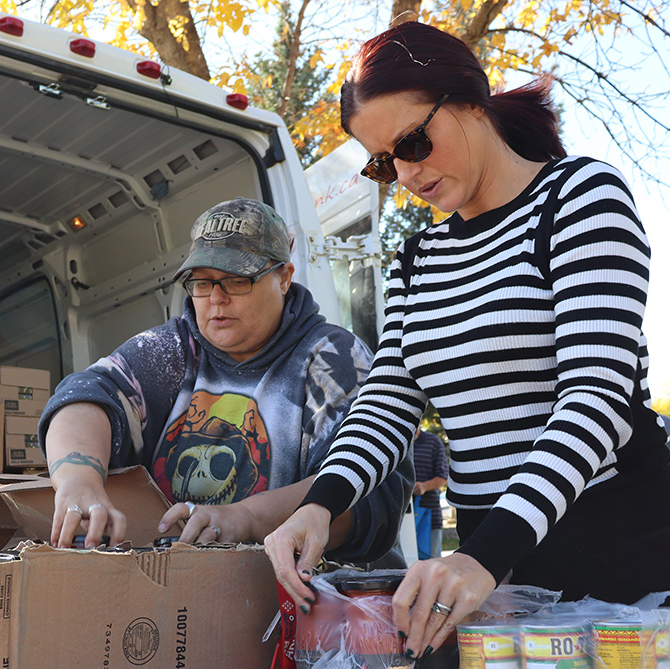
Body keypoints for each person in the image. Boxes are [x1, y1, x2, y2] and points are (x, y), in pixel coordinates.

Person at [264, 21, 670, 663]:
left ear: (471, 101)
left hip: (619, 562)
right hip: (494, 579)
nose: (408, 174)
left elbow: (597, 396)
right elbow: (388, 402)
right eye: (385, 161)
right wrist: (319, 504)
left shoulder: (579, 199)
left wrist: (484, 555)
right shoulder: (416, 261)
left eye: (414, 141)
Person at [39, 198, 413, 562]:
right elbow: (87, 396)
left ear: (284, 277)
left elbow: (370, 495)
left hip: (321, 605)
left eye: (236, 281)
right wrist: (78, 481)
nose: (216, 299)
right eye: (201, 282)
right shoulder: (170, 349)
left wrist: (246, 518)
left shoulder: (334, 358)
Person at [412, 426, 448, 559]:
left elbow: (443, 478)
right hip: (399, 520)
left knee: (431, 564)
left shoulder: (433, 441)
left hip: (429, 514)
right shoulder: (396, 442)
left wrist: (424, 486)